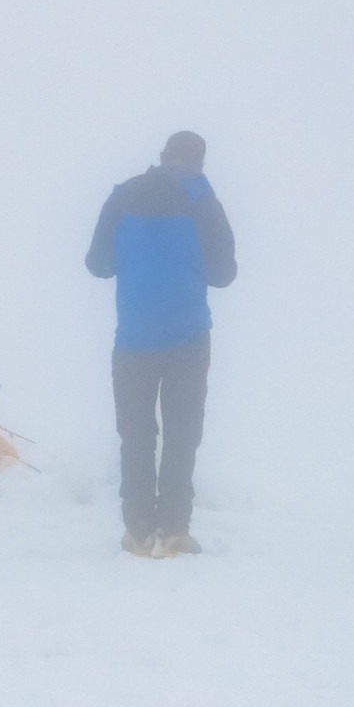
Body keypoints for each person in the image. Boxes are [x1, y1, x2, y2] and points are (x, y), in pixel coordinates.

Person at [85, 131, 236, 557]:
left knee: (135, 435)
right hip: (189, 337)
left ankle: (137, 533)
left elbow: (98, 264)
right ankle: (173, 532)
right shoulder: (203, 202)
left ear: (163, 155)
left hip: (133, 339)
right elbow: (224, 274)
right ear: (200, 162)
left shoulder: (122, 196)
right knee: (182, 434)